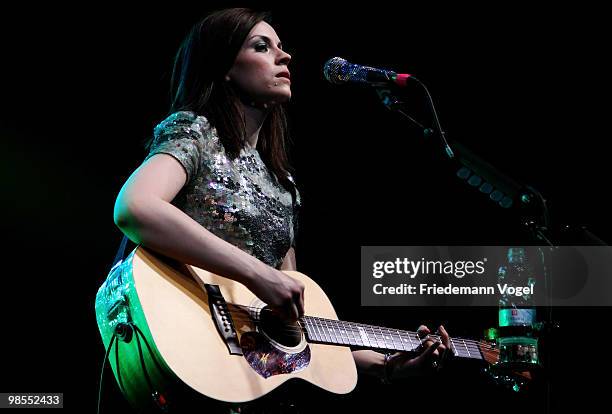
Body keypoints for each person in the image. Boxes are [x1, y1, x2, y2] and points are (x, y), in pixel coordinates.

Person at [113, 7, 452, 413]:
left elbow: (294, 328)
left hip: (244, 381)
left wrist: (386, 365)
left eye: (280, 46)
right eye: (262, 46)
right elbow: (135, 206)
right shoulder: (196, 132)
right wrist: (259, 274)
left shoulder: (282, 186)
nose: (285, 56)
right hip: (178, 343)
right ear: (224, 68)